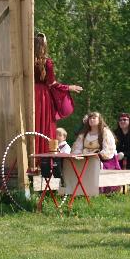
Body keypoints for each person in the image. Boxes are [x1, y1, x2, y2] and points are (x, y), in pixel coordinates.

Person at [33, 32, 82, 164]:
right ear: (43, 46)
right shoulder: (47, 62)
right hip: (42, 96)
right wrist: (68, 87)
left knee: (33, 125)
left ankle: (32, 160)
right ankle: (44, 161)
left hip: (30, 94)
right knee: (44, 126)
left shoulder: (27, 61)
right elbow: (52, 83)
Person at [71, 111, 120, 192]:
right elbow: (77, 148)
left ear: (99, 120)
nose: (91, 119)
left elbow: (108, 149)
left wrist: (97, 155)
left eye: (94, 118)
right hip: (85, 158)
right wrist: (79, 155)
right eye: (90, 118)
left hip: (103, 160)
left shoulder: (105, 132)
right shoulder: (84, 133)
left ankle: (94, 190)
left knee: (94, 163)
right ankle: (78, 190)